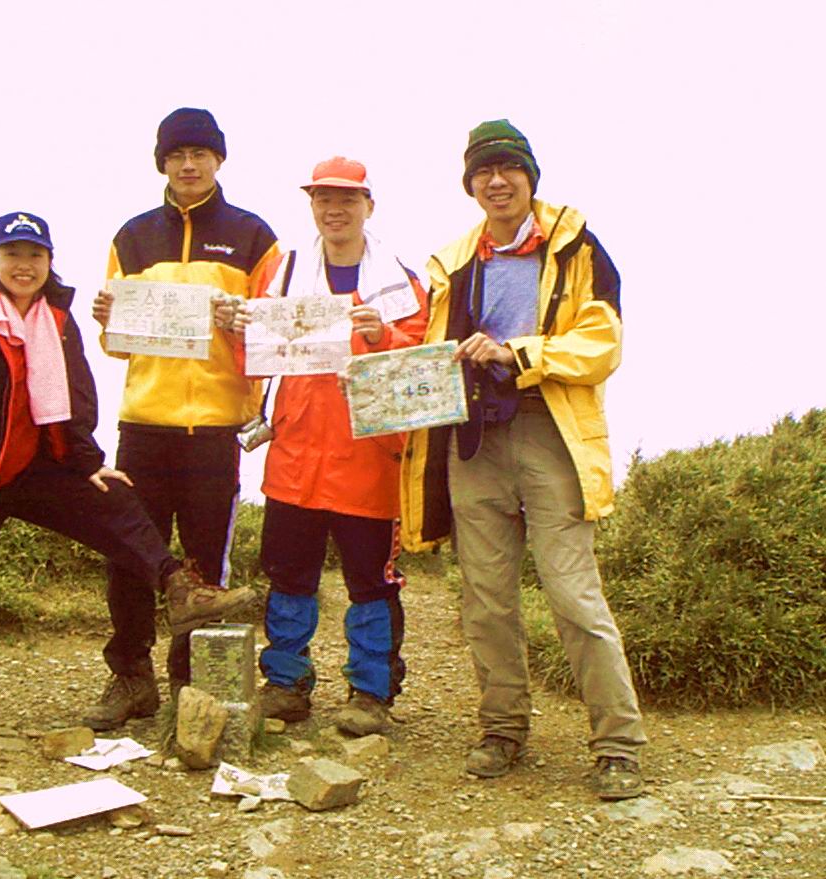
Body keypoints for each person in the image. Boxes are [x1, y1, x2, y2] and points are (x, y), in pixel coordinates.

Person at [0, 211, 252, 736]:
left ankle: (179, 587)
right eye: (12, 254)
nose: (24, 265)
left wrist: (89, 463)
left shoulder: (56, 321)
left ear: (49, 263)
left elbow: (74, 398)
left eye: (35, 255)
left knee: (115, 502)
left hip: (33, 472)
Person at [400, 120, 647, 799]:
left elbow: (602, 343)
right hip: (473, 437)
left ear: (529, 177)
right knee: (484, 598)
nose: (496, 181)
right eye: (482, 171)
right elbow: (422, 341)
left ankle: (618, 744)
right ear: (470, 184)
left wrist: (518, 352)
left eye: (508, 168)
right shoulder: (452, 261)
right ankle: (502, 729)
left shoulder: (576, 245)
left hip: (549, 428)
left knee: (572, 592)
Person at [87, 108, 279, 729]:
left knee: (204, 566)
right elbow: (117, 346)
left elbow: (274, 332)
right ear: (162, 163)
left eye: (199, 154)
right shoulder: (132, 236)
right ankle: (130, 678)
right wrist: (106, 321)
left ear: (219, 159)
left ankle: (191, 686)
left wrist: (242, 322)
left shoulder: (255, 236)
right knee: (129, 554)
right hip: (144, 422)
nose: (188, 165)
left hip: (217, 426)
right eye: (176, 155)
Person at [233, 157, 428, 735]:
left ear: (369, 205)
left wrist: (382, 335)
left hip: (369, 457)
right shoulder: (283, 272)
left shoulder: (402, 283)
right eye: (323, 198)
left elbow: (422, 360)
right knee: (288, 575)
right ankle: (285, 683)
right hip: (295, 455)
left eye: (346, 199)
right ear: (311, 205)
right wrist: (234, 326)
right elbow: (253, 353)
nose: (334, 210)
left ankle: (371, 694)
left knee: (371, 583)